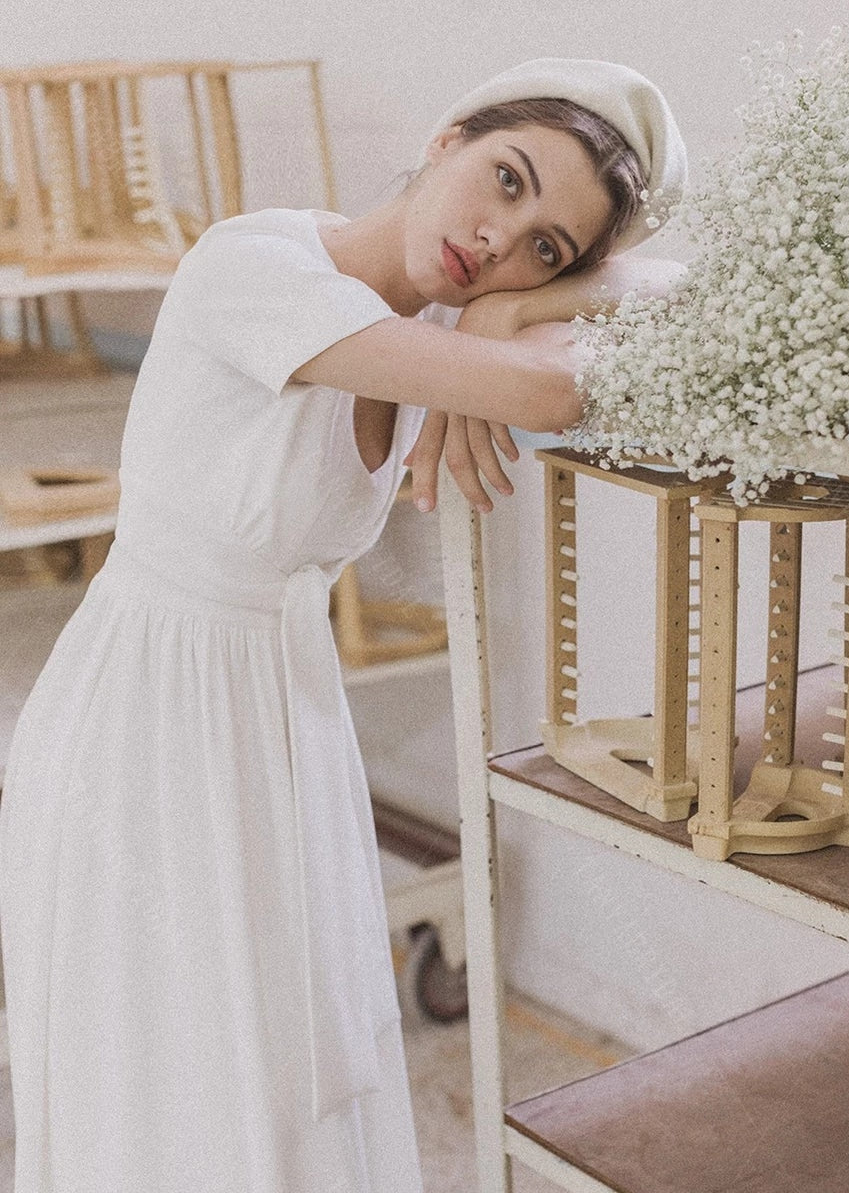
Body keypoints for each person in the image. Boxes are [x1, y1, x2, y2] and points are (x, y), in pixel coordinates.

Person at [0, 57, 686, 1192]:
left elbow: (675, 282)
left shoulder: (440, 319)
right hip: (145, 725)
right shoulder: (257, 264)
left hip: (286, 720)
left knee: (287, 1076)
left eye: (546, 247)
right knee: (179, 1083)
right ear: (447, 137)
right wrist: (500, 334)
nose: (499, 239)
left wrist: (504, 308)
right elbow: (554, 394)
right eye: (506, 179)